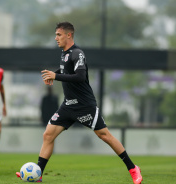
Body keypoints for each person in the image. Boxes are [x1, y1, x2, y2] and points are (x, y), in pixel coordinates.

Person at [16, 22, 143, 184]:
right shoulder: (64, 54)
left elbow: (80, 76)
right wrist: (54, 74)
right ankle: (38, 174)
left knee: (104, 135)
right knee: (48, 135)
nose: (56, 38)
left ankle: (133, 169)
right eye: (55, 35)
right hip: (68, 105)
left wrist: (56, 77)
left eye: (59, 35)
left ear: (69, 35)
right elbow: (66, 71)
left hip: (84, 105)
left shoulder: (77, 53)